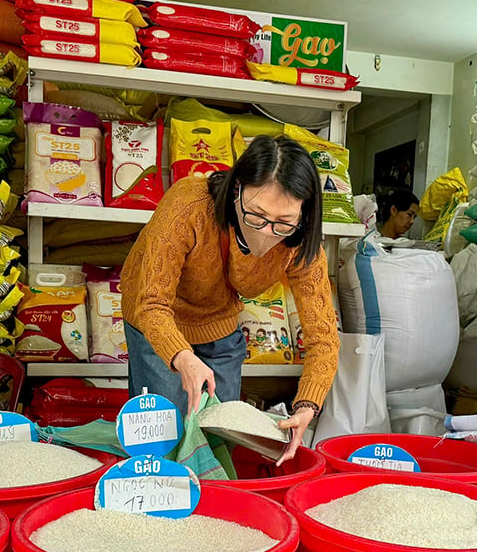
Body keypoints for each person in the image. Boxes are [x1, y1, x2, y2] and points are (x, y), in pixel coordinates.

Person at [121, 134, 340, 465]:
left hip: (219, 320)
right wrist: (182, 356)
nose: (266, 234)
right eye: (256, 216)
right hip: (157, 317)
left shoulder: (299, 244)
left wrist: (307, 405)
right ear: (237, 189)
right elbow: (151, 303)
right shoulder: (189, 207)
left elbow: (324, 336)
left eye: (283, 224)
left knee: (221, 438)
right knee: (165, 438)